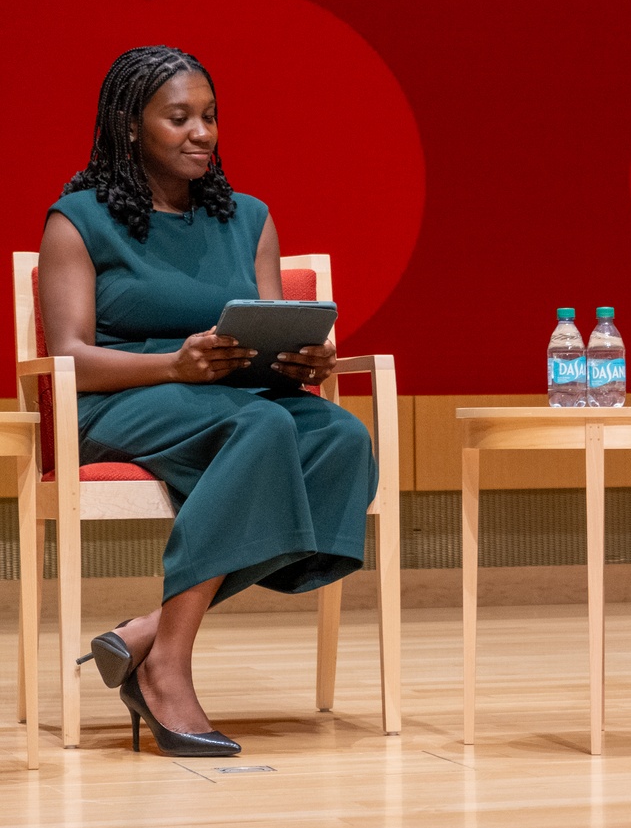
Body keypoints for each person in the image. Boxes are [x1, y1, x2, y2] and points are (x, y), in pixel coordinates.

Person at [38, 46, 377, 757]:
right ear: (131, 126)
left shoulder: (248, 218)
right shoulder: (77, 220)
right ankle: (167, 666)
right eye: (180, 118)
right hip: (122, 401)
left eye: (211, 116)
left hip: (230, 397)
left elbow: (268, 323)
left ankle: (143, 632)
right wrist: (173, 363)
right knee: (258, 426)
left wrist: (299, 359)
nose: (202, 132)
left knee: (340, 438)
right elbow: (67, 357)